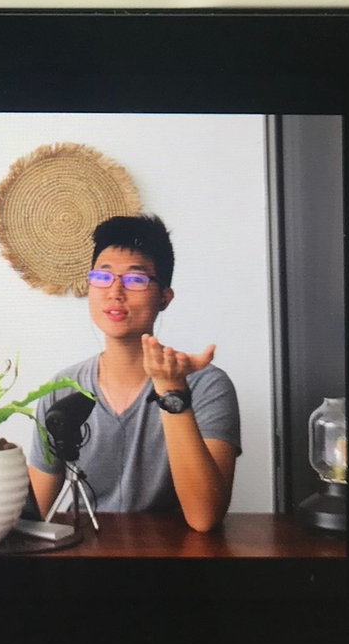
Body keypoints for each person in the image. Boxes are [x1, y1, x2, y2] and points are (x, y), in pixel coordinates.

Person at [27, 214, 240, 531]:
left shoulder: (208, 385)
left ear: (164, 297)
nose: (115, 291)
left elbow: (204, 517)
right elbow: (35, 513)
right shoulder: (63, 388)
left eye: (135, 279)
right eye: (102, 276)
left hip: (174, 554)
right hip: (85, 552)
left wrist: (172, 391)